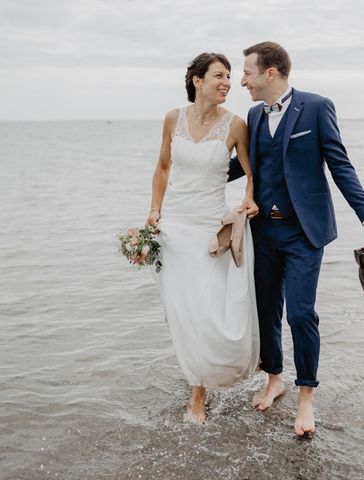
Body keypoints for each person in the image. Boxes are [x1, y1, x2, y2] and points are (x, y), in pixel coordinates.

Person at [228, 41, 364, 436]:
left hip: (304, 232)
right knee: (266, 310)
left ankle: (306, 397)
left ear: (270, 73)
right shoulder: (252, 113)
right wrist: (187, 167)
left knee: (300, 313)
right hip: (262, 230)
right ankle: (274, 378)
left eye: (246, 71)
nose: (241, 80)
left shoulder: (317, 107)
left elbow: (340, 164)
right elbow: (241, 166)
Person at [146, 53, 261, 424]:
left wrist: (248, 198)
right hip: (175, 228)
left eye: (229, 76)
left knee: (208, 311)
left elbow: (251, 171)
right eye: (219, 76)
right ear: (197, 80)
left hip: (211, 230)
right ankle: (197, 381)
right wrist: (154, 212)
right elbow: (163, 167)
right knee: (183, 312)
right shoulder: (172, 118)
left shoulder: (236, 125)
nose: (227, 82)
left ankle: (199, 392)